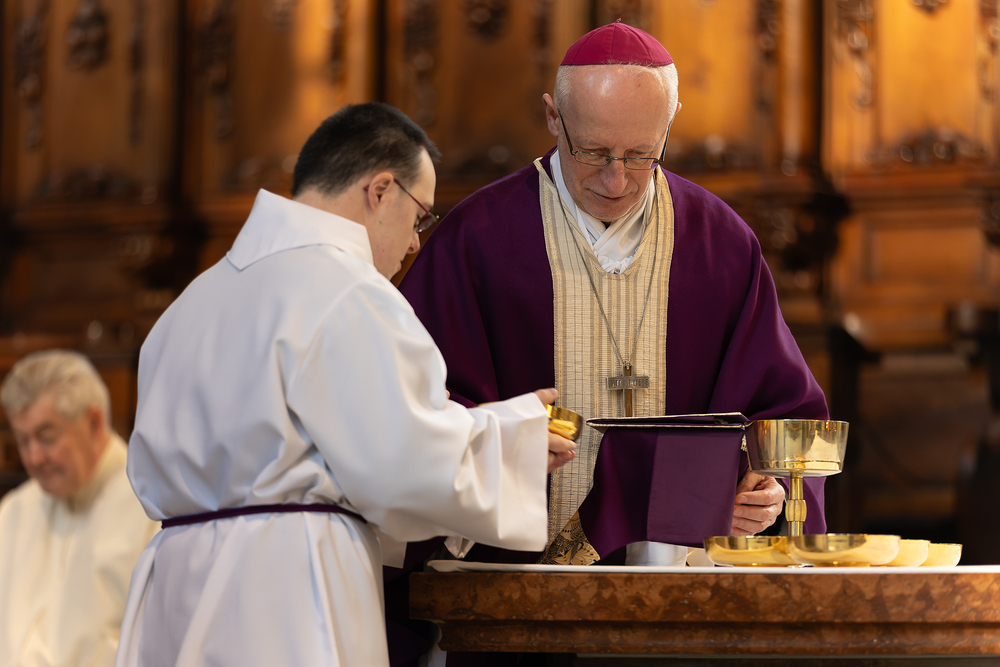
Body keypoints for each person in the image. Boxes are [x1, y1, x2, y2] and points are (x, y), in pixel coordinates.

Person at [114, 102, 575, 667]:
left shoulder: (193, 301)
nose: (415, 243)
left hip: (177, 589)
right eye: (420, 217)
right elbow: (401, 466)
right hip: (282, 592)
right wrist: (513, 439)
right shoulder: (347, 289)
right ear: (380, 190)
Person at [399, 20, 829, 570]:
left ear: (670, 124)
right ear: (554, 117)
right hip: (512, 576)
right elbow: (416, 406)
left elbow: (785, 417)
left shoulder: (719, 243)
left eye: (642, 154)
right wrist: (500, 441)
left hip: (678, 582)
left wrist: (768, 488)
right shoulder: (479, 238)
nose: (616, 180)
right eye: (594, 152)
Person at [0, 349, 159, 667]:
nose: (33, 458)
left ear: (94, 423)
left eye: (46, 437)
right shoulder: (15, 511)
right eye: (23, 440)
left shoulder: (151, 507)